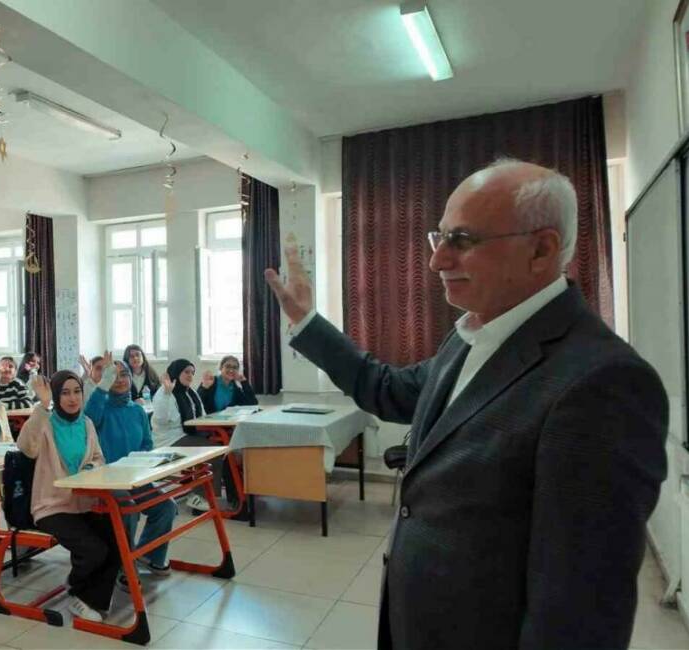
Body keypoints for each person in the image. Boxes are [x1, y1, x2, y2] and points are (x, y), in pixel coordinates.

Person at [264, 159, 668, 650]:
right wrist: (306, 321)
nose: (437, 262)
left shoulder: (602, 383)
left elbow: (577, 613)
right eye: (440, 239)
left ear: (541, 249)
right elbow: (387, 388)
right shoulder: (473, 335)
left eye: (463, 241)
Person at [17, 371, 118, 622]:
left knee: (116, 544)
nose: (72, 398)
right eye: (64, 392)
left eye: (77, 391)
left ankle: (91, 597)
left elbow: (98, 458)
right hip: (52, 506)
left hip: (84, 503)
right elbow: (26, 448)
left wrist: (90, 468)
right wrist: (42, 405)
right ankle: (76, 589)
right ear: (56, 396)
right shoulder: (46, 423)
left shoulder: (87, 424)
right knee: (93, 549)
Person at [84, 353, 176, 581]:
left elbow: (147, 443)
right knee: (128, 509)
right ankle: (123, 563)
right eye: (113, 376)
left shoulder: (137, 411)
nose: (120, 379)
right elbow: (88, 418)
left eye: (124, 374)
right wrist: (103, 384)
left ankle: (145, 555)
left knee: (166, 506)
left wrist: (143, 463)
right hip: (107, 480)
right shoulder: (100, 408)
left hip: (135, 477)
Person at [152, 359, 218, 514]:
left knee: (216, 445)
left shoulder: (191, 392)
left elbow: (201, 415)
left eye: (192, 373)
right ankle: (198, 496)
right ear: (176, 373)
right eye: (186, 372)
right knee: (212, 451)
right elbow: (162, 419)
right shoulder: (164, 392)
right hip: (170, 440)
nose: (190, 375)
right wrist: (167, 394)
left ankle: (203, 494)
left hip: (184, 435)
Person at [196, 355, 258, 508]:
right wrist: (204, 387)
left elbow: (252, 404)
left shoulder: (235, 387)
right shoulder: (212, 381)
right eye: (228, 366)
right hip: (209, 429)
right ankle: (235, 497)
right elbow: (198, 403)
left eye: (235, 367)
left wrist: (243, 381)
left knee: (244, 450)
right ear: (221, 368)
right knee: (228, 455)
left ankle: (243, 492)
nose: (231, 370)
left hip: (225, 429)